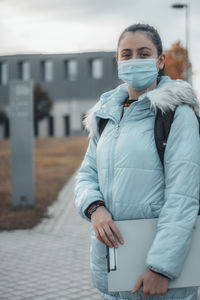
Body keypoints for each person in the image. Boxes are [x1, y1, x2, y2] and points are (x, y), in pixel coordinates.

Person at [74, 23, 200, 300]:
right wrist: (95, 208)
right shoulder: (105, 116)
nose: (134, 61)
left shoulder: (176, 115)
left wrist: (162, 267)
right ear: (117, 61)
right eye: (126, 54)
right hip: (114, 269)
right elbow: (86, 175)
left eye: (143, 54)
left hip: (160, 279)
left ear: (160, 60)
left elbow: (183, 197)